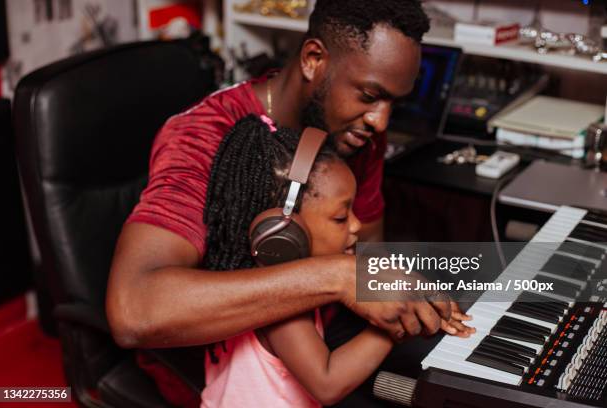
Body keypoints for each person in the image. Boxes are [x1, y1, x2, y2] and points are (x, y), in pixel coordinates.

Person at [106, 0, 470, 406]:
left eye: (393, 104)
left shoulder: (355, 129)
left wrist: (406, 296)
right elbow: (134, 310)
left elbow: (366, 252)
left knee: (460, 370)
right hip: (236, 374)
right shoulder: (206, 137)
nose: (380, 121)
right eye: (370, 95)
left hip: (321, 333)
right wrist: (338, 277)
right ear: (314, 58)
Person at [199, 114, 473, 407]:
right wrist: (396, 326)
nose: (356, 225)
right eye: (341, 217)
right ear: (286, 230)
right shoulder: (281, 305)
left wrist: (412, 301)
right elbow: (327, 383)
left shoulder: (270, 282)